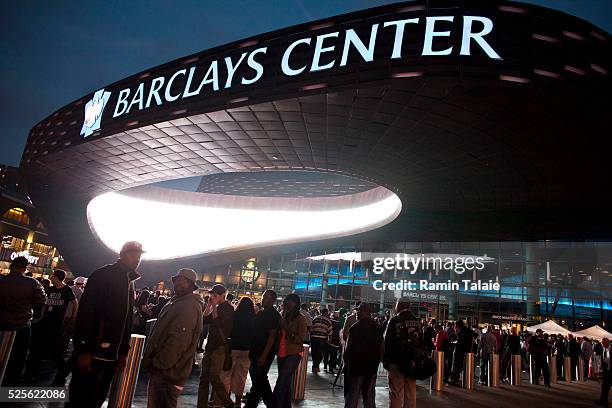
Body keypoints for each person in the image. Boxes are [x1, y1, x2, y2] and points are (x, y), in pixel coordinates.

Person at [67, 241, 144, 408]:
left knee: (97, 398)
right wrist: (84, 350)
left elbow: (127, 320)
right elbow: (86, 313)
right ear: (122, 254)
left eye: (139, 256)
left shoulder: (130, 282)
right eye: (133, 254)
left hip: (112, 356)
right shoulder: (103, 275)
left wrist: (124, 352)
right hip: (94, 353)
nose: (137, 259)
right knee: (79, 398)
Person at [142, 268, 203, 408]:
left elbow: (178, 342)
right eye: (177, 281)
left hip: (168, 374)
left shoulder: (188, 306)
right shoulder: (178, 302)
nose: (178, 284)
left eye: (183, 281)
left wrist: (159, 364)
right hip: (166, 372)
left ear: (191, 285)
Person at [0, 256, 47, 386]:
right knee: (18, 358)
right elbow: (41, 301)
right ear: (25, 268)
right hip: (22, 325)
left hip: (2, 322)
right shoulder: (32, 283)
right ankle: (10, 386)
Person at [26, 269, 77, 385]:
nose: (51, 276)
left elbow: (75, 303)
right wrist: (42, 316)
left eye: (53, 275)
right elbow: (45, 304)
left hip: (57, 323)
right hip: (45, 321)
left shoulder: (66, 290)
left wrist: (73, 316)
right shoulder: (50, 289)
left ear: (56, 277)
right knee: (40, 347)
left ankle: (62, 368)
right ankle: (33, 372)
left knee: (51, 348)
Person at [197, 284, 235, 408]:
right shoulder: (216, 307)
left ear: (222, 295)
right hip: (210, 346)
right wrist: (209, 305)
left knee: (214, 377)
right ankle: (201, 405)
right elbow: (204, 319)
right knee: (203, 379)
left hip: (219, 347)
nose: (213, 297)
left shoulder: (228, 309)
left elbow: (218, 324)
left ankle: (228, 403)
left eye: (215, 295)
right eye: (212, 295)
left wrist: (213, 306)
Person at [383, 297, 422, 408]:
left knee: (396, 392)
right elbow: (421, 343)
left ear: (400, 305)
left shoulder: (394, 320)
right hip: (412, 363)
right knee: (411, 392)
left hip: (396, 362)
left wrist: (386, 360)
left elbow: (387, 342)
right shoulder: (417, 322)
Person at [270, 293, 307, 408]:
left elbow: (300, 339)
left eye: (291, 302)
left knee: (281, 381)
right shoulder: (282, 316)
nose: (289, 305)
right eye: (287, 302)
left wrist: (286, 327)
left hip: (294, 353)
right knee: (285, 381)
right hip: (281, 352)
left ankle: (273, 405)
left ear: (296, 304)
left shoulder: (301, 319)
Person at [245, 290, 280, 408]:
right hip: (255, 351)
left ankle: (256, 403)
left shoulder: (273, 315)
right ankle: (266, 402)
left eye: (266, 297)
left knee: (259, 378)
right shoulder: (262, 313)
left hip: (263, 352)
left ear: (273, 300)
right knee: (259, 378)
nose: (263, 299)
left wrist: (264, 355)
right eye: (263, 296)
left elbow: (272, 336)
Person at [343, 303, 382, 408]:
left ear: (365, 311)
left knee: (353, 394)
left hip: (356, 366)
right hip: (371, 366)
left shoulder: (355, 327)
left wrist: (345, 360)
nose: (357, 313)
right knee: (369, 395)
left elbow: (348, 347)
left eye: (359, 310)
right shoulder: (377, 327)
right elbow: (381, 347)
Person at [220, 296, 256, 407]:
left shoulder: (235, 316)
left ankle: (225, 400)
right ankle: (238, 402)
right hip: (247, 351)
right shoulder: (254, 318)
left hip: (233, 348)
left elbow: (228, 331)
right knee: (241, 377)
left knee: (226, 375)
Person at [450, 320, 473, 385]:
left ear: (458, 326)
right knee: (465, 366)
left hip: (459, 351)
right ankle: (466, 380)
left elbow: (459, 343)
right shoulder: (469, 331)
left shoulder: (460, 332)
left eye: (455, 326)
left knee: (456, 365)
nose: (455, 328)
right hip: (467, 351)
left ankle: (454, 379)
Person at [311, 308, 332, 373]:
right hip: (322, 339)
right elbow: (330, 331)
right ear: (325, 313)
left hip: (314, 338)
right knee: (320, 353)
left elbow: (311, 327)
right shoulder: (328, 321)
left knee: (314, 352)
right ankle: (315, 366)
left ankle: (315, 366)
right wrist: (329, 339)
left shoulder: (316, 318)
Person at [596, 337, 610, 406]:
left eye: (604, 342)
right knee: (604, 387)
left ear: (608, 342)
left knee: (606, 387)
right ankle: (603, 401)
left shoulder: (610, 349)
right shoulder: (604, 349)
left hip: (610, 371)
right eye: (602, 342)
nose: (603, 343)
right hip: (606, 370)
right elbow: (604, 360)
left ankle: (604, 401)